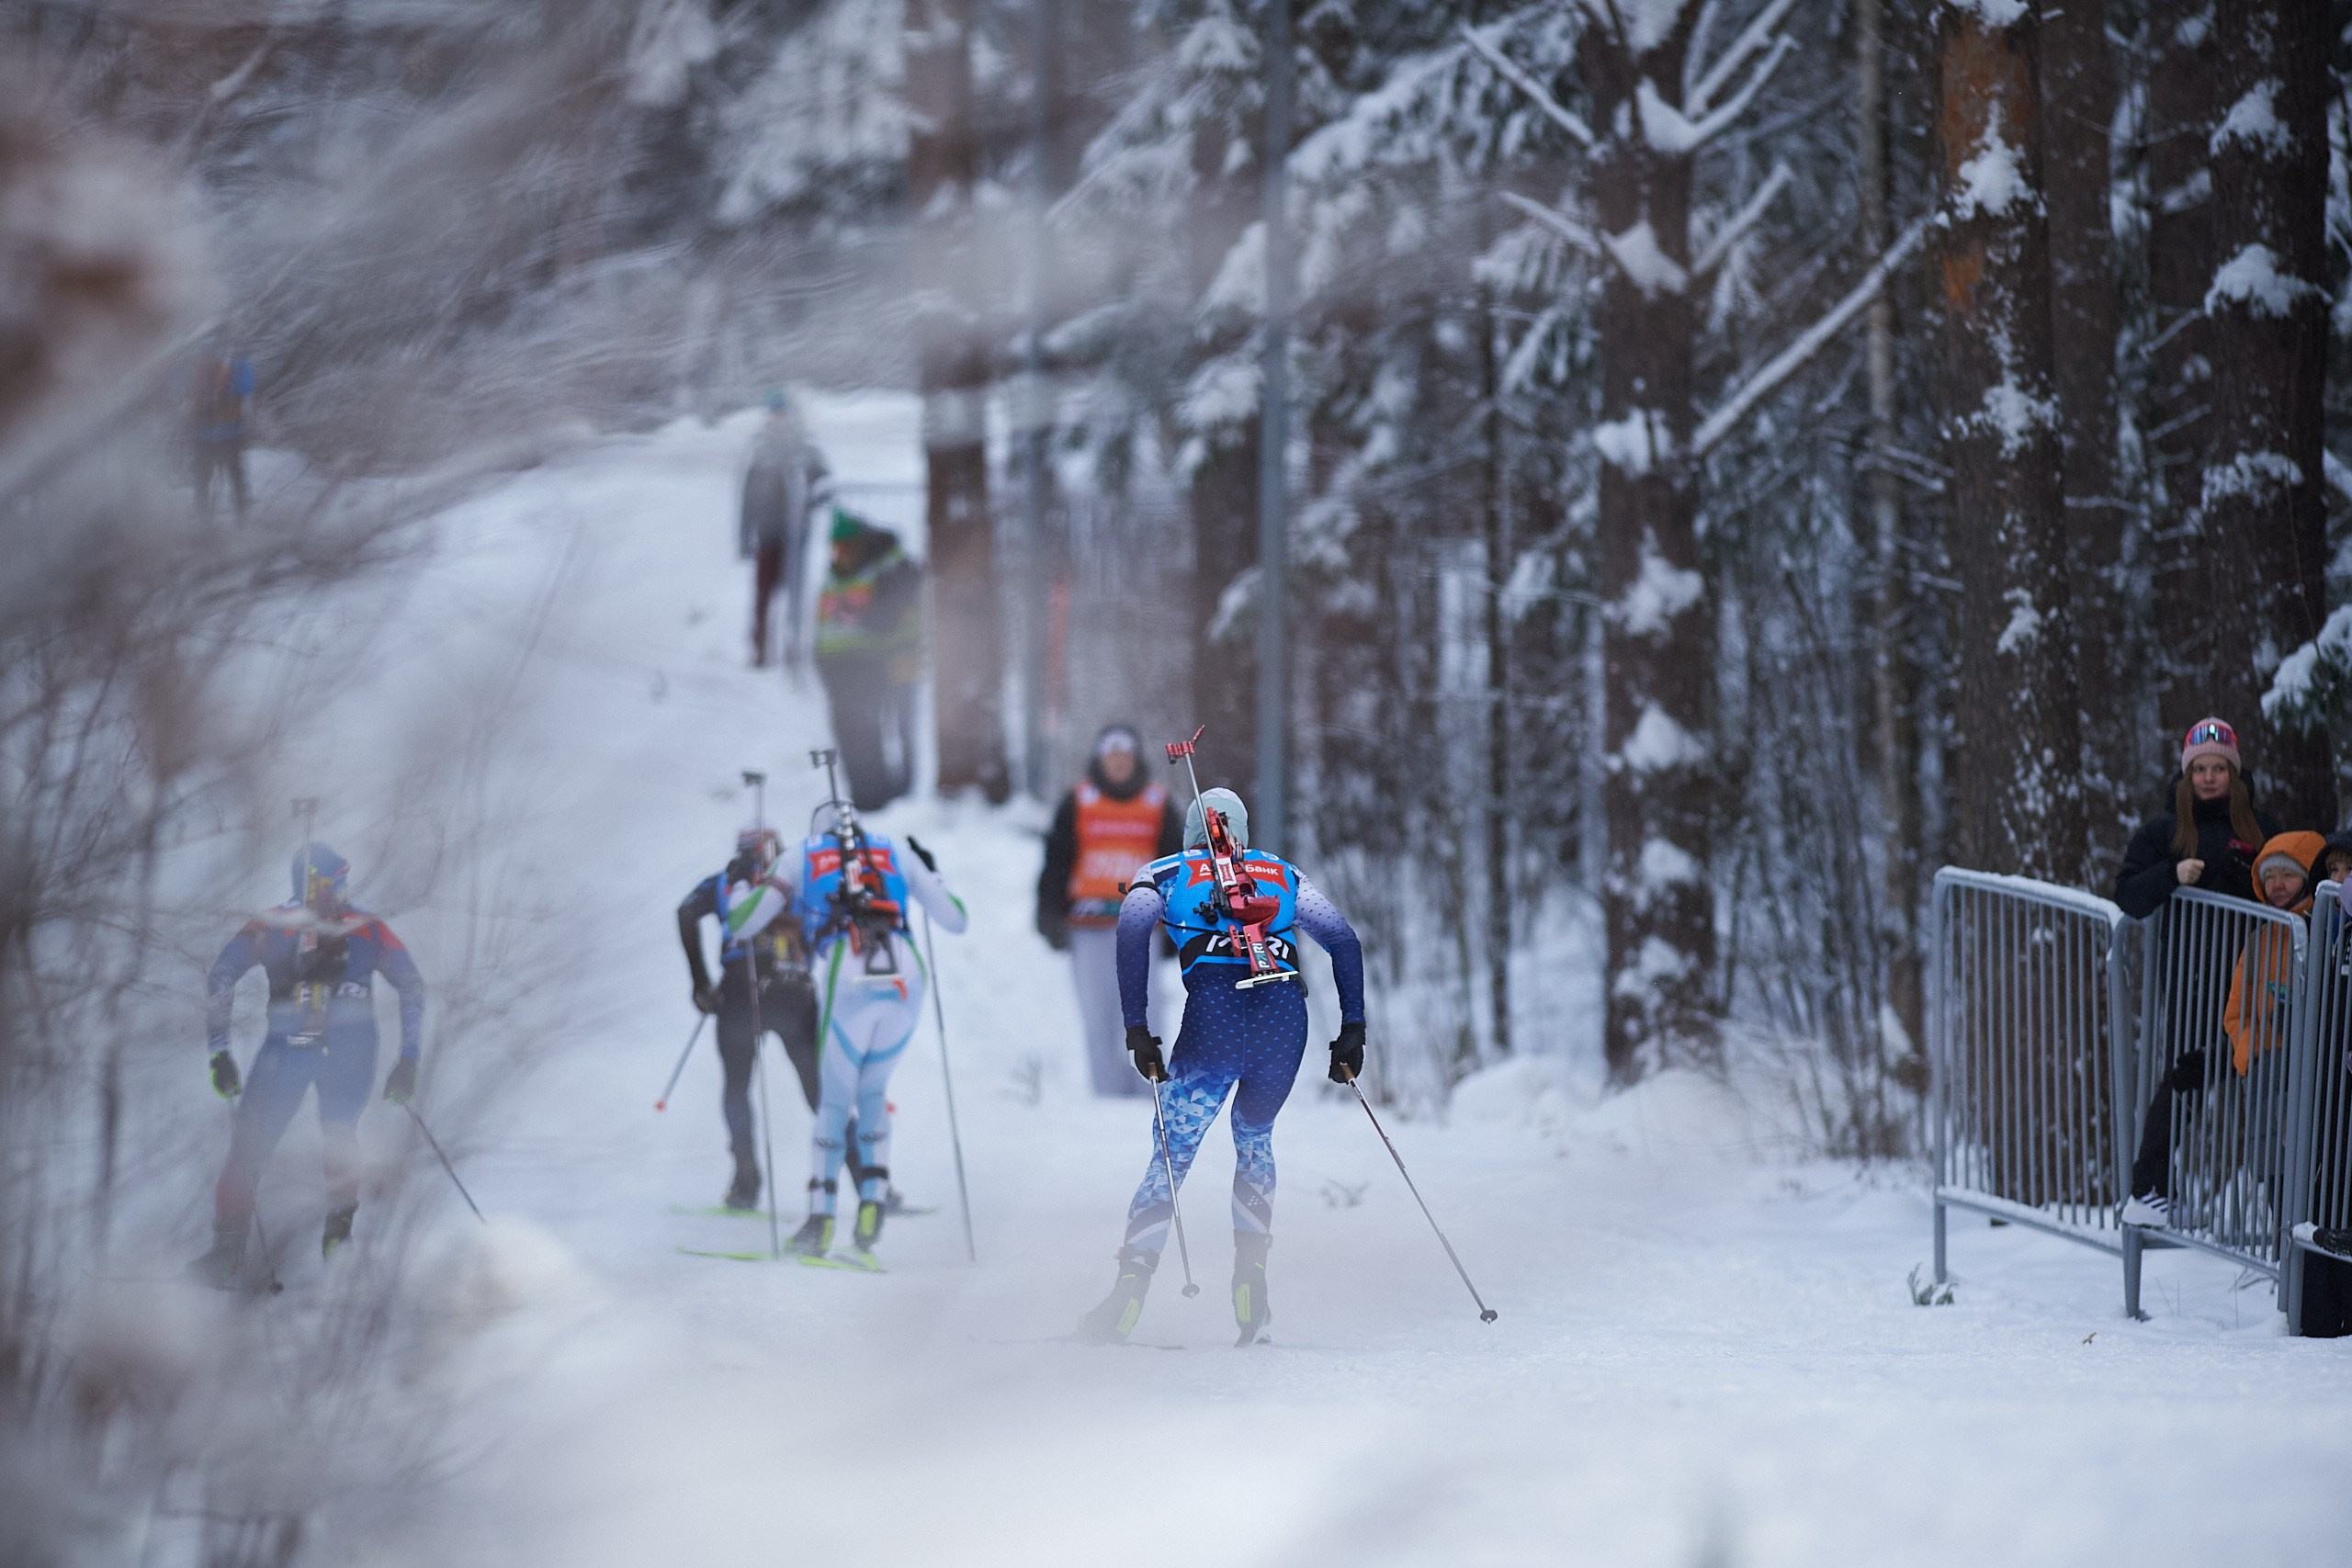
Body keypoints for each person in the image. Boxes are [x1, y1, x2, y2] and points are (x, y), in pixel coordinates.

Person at [1076, 784, 1365, 1347]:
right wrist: (1352, 1029)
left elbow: (1131, 932)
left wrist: (1137, 1028)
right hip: (1285, 1025)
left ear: (1189, 832)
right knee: (1255, 1140)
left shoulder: (1164, 873)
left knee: (1171, 1154)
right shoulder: (1283, 872)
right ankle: (1251, 1283)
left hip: (1214, 1023)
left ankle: (1128, 1293)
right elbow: (1343, 940)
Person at [724, 802, 966, 1264]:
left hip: (847, 966)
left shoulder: (800, 854)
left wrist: (739, 881)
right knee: (873, 1090)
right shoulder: (896, 850)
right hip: (905, 972)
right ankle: (872, 1206)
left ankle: (820, 1221)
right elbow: (955, 919)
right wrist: (932, 873)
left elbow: (743, 921)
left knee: (834, 1101)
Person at [189, 844, 425, 1288]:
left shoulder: (280, 924)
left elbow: (222, 975)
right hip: (337, 1046)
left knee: (289, 1141)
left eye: (343, 884)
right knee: (328, 1136)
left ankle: (250, 1252)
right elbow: (411, 986)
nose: (343, 893)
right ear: (317, 883)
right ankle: (327, 1245)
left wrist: (220, 1052)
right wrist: (407, 1058)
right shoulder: (361, 927)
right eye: (338, 883)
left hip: (305, 1045)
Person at [2120, 829, 2321, 1227]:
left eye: (2288, 875)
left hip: (2309, 1072)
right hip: (2264, 1070)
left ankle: (2305, 1249)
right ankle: (2285, 1242)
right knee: (2270, 1164)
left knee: (2309, 1170)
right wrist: (2254, 1054)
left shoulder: (2321, 933)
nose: (2278, 885)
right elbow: (2236, 1014)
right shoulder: (2262, 937)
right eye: (2269, 877)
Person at [677, 825, 831, 1210]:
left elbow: (686, 911)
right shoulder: (800, 879)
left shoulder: (723, 883)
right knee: (819, 1089)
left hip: (739, 991)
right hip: (793, 988)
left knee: (737, 1087)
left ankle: (746, 1182)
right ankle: (868, 1182)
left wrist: (701, 982)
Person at [1037, 725, 1183, 1098]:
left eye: (1125, 758)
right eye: (1112, 758)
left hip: (1142, 929)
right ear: (1100, 762)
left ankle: (1149, 1090)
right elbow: (1057, 861)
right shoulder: (1079, 802)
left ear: (1136, 761)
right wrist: (1049, 914)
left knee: (1145, 1013)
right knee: (1097, 1014)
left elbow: (1177, 869)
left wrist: (1179, 926)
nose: (1119, 765)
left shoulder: (1157, 803)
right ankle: (1107, 1097)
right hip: (1088, 926)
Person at [2111, 717, 2280, 919]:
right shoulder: (2162, 830)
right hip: (2181, 940)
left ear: (2233, 774)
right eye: (2200, 769)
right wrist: (2171, 874)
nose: (2209, 778)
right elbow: (2126, 895)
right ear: (2189, 775)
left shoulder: (2262, 827)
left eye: (2219, 769)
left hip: (2249, 939)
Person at [813, 510, 922, 812]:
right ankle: (866, 798)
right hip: (839, 668)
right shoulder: (836, 576)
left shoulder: (889, 566)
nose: (840, 554)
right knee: (850, 731)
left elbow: (890, 615)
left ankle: (887, 799)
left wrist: (859, 618)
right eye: (836, 548)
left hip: (875, 662)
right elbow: (824, 626)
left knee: (877, 728)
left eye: (846, 547)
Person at [741, 389, 827, 669]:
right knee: (763, 596)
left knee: (796, 596)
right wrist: (744, 535)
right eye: (774, 413)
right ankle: (760, 652)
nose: (778, 418)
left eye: (782, 412)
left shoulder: (804, 447)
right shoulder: (760, 449)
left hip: (797, 536)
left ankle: (794, 650)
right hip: (768, 534)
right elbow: (748, 496)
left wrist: (811, 501)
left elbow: (824, 484)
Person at [191, 347, 254, 523]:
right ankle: (241, 519)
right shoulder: (236, 365)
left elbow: (179, 389)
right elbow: (248, 387)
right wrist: (241, 361)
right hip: (230, 434)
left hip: (202, 435)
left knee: (202, 480)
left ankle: (203, 520)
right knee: (237, 478)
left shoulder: (195, 365)